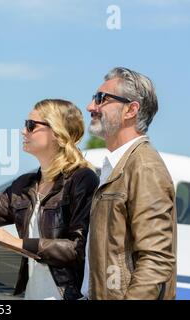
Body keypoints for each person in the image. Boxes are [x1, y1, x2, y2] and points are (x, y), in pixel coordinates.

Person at [0, 99, 99, 300]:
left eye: (31, 125)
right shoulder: (24, 185)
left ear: (56, 132)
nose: (24, 131)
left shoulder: (83, 179)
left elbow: (78, 248)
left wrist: (20, 243)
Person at [84, 67, 177, 300]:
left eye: (100, 99)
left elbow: (156, 260)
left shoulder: (144, 168)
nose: (90, 107)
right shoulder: (114, 166)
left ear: (131, 110)